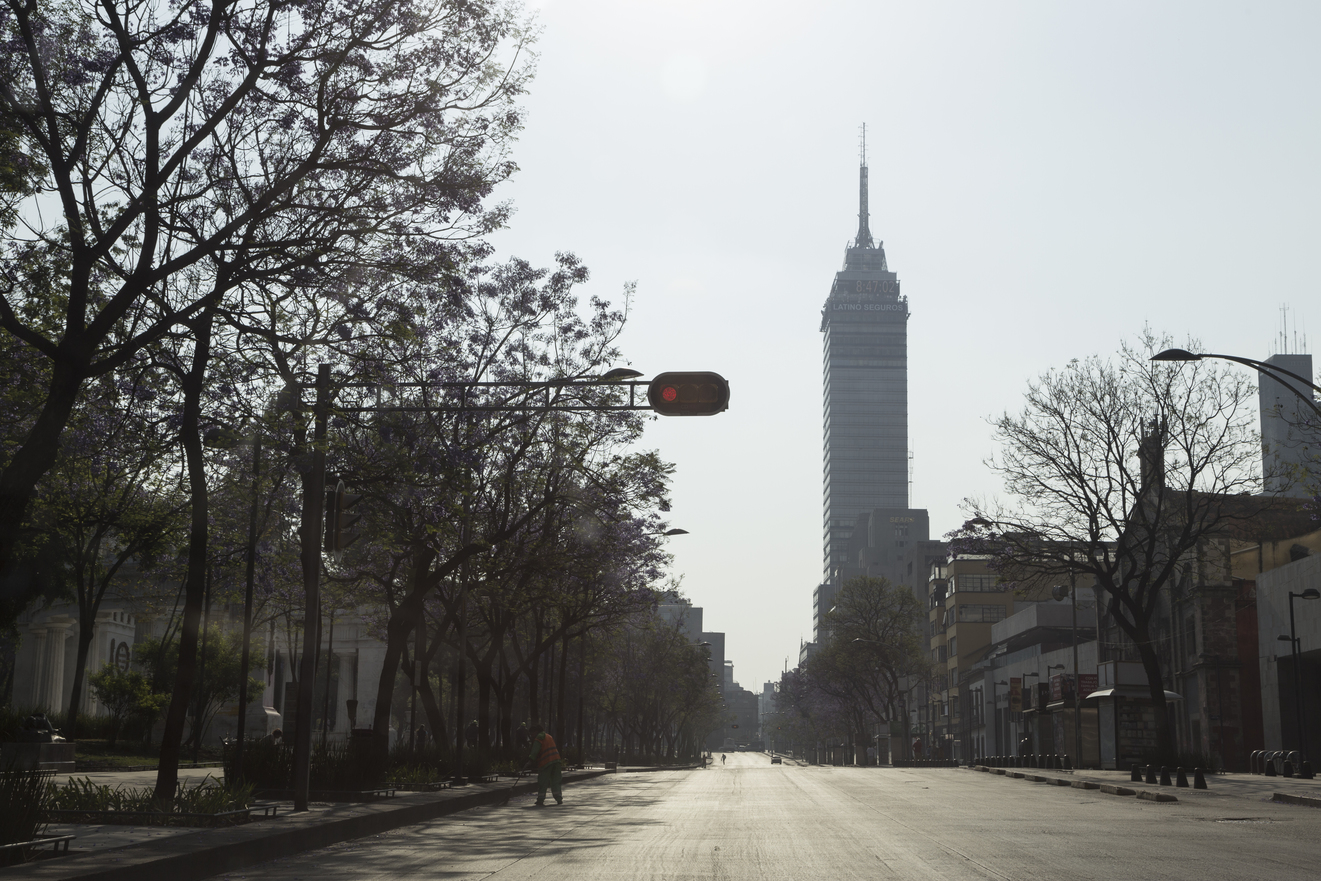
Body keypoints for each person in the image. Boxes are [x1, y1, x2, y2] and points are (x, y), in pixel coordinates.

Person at [527, 721, 563, 806]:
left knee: (543, 782)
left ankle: (540, 800)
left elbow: (535, 751)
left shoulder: (538, 739)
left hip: (546, 762)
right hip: (556, 761)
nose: (531, 736)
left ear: (535, 732)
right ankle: (559, 798)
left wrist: (530, 760)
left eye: (531, 734)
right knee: (555, 781)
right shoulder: (549, 736)